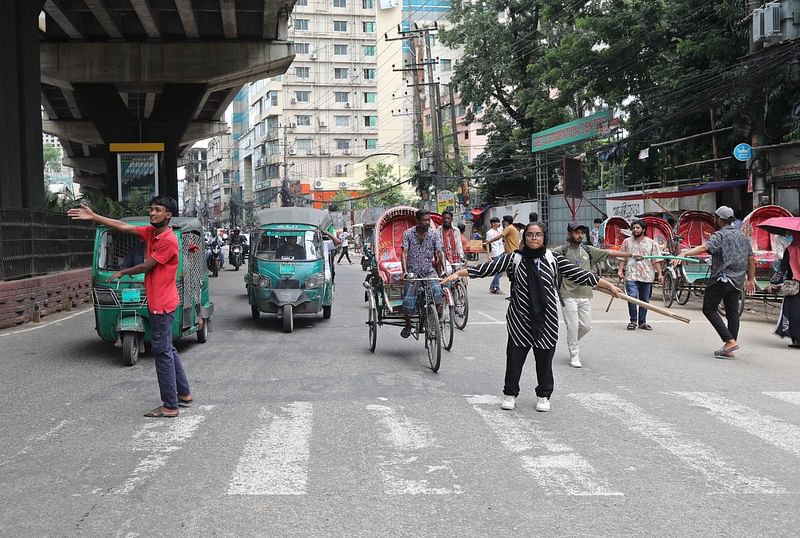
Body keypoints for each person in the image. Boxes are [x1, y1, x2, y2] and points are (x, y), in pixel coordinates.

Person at [443, 222, 622, 412]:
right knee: (514, 359)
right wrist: (458, 274)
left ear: (544, 237)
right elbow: (486, 269)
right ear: (524, 238)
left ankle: (544, 395)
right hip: (519, 319)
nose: (534, 238)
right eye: (529, 235)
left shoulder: (553, 259)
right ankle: (510, 394)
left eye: (538, 235)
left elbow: (581, 274)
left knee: (544, 360)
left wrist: (609, 286)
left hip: (546, 320)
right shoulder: (514, 258)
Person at [68, 196, 192, 418]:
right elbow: (124, 227)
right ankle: (183, 394)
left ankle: (170, 406)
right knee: (168, 349)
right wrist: (95, 216)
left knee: (162, 352)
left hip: (162, 305)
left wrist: (123, 272)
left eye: (158, 210)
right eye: (151, 209)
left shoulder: (168, 240)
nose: (153, 213)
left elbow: (148, 265)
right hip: (163, 301)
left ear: (168, 215)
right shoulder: (152, 233)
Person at [552, 222, 636, 368]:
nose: (579, 235)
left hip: (585, 293)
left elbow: (610, 253)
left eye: (581, 233)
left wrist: (632, 255)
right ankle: (574, 354)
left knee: (586, 326)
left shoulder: (588, 250)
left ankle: (572, 341)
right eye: (576, 232)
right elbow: (544, 258)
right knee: (572, 326)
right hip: (567, 294)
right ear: (569, 234)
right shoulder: (561, 251)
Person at [679, 206, 756, 358]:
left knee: (709, 309)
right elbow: (751, 260)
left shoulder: (719, 235)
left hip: (721, 278)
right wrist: (750, 279)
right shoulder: (743, 237)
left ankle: (729, 341)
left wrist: (685, 252)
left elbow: (704, 247)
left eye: (715, 218)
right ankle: (730, 347)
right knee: (732, 313)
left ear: (719, 220)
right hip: (737, 281)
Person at [400, 209, 445, 338]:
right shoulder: (408, 234)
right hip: (413, 273)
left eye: (428, 220)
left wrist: (444, 270)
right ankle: (408, 324)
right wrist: (405, 272)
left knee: (438, 293)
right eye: (424, 220)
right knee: (408, 302)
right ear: (417, 221)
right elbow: (404, 253)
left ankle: (433, 318)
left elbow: (439, 252)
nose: (427, 223)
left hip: (428, 271)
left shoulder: (434, 234)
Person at [618, 219, 663, 331]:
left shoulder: (652, 243)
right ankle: (633, 321)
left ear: (643, 229)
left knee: (644, 299)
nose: (635, 230)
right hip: (631, 274)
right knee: (632, 297)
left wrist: (660, 274)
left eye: (638, 228)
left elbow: (656, 260)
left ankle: (642, 322)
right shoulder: (627, 242)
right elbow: (622, 257)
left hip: (647, 275)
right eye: (633, 228)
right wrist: (620, 270)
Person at [772, 231, 800, 348]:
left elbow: (783, 268)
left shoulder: (791, 249)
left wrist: (775, 282)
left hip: (794, 285)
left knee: (794, 312)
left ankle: (797, 339)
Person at [485, 217, 505, 294]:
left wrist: (515, 215)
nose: (499, 224)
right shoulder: (489, 233)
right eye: (497, 222)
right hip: (495, 253)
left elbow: (508, 224)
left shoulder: (499, 230)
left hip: (501, 251)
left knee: (501, 271)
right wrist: (488, 255)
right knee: (498, 271)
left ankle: (492, 287)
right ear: (493, 223)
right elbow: (487, 244)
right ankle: (496, 287)